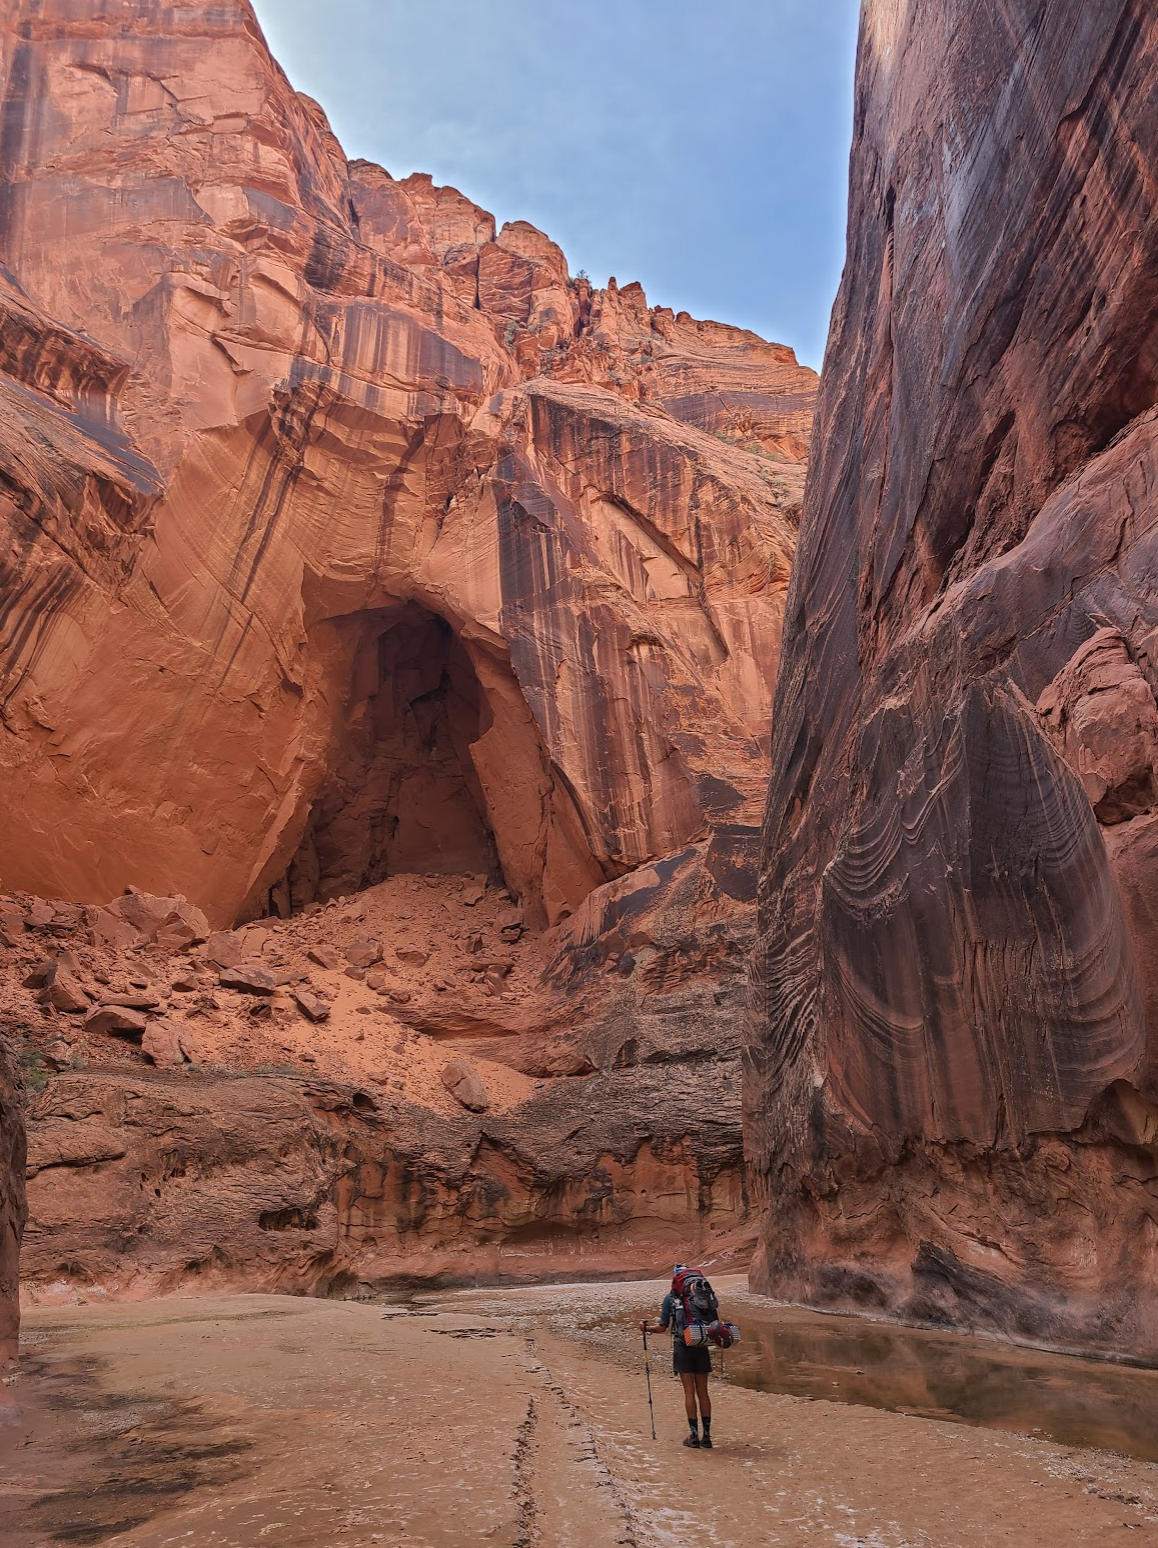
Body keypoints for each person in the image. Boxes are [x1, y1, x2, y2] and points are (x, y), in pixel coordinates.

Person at [641, 1264, 713, 1448]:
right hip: (701, 1344)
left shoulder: (671, 1298)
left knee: (689, 1392)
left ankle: (694, 1436)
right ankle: (706, 1437)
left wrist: (645, 1328)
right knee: (703, 1391)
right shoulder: (704, 1295)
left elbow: (662, 1327)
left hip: (683, 1347)